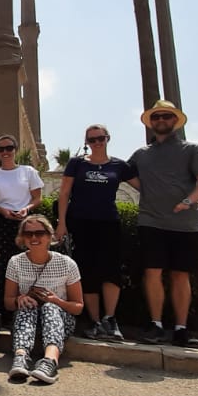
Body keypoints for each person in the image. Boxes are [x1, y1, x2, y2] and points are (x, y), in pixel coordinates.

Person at [129, 100, 198, 349]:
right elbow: (125, 173)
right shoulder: (142, 154)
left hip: (186, 224)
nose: (161, 120)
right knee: (152, 272)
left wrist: (188, 201)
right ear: (151, 122)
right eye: (156, 117)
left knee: (180, 274)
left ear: (175, 121)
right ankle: (156, 325)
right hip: (151, 221)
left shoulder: (192, 150)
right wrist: (147, 190)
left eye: (166, 116)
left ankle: (181, 329)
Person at [55, 124, 136, 341]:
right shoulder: (77, 163)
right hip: (81, 223)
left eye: (101, 138)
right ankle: (95, 320)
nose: (97, 142)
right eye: (92, 140)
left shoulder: (119, 165)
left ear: (108, 138)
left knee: (111, 270)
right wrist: (61, 223)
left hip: (108, 223)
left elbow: (147, 187)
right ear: (87, 142)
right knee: (87, 271)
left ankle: (110, 319)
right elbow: (64, 193)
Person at [5, 214, 84, 385]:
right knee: (27, 305)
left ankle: (50, 361)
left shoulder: (67, 263)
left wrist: (56, 301)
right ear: (22, 237)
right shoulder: (15, 262)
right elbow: (8, 303)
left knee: (50, 307)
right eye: (28, 234)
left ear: (49, 236)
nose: (34, 238)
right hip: (27, 321)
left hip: (59, 321)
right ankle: (21, 357)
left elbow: (78, 307)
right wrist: (20, 299)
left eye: (39, 233)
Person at [0, 134, 44, 324]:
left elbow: (37, 198)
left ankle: (29, 307)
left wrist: (26, 209)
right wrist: (1, 210)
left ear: (15, 150)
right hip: (1, 223)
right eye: (1, 149)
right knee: (2, 265)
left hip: (25, 224)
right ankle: (5, 309)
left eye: (9, 148)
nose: (5, 152)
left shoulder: (28, 171)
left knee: (28, 263)